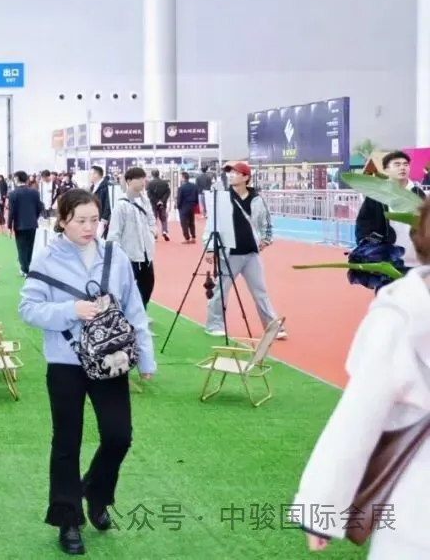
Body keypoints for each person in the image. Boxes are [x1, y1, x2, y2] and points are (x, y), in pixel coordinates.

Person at [19, 188, 156, 556]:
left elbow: (134, 308)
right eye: (80, 220)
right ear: (63, 220)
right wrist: (71, 310)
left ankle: (95, 493)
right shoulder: (47, 258)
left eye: (94, 220)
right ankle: (68, 519)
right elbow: (28, 309)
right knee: (67, 441)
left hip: (111, 360)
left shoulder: (115, 256)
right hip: (65, 363)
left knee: (118, 436)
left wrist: (146, 359)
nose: (88, 227)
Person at [293, 198, 430, 558]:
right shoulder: (402, 314)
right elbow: (360, 414)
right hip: (417, 512)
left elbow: (359, 414)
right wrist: (321, 507)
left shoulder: (402, 310)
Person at [204, 162, 286, 339]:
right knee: (221, 290)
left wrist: (266, 239)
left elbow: (266, 221)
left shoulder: (257, 199)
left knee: (260, 291)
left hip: (251, 253)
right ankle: (214, 324)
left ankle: (273, 326)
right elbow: (212, 224)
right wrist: (210, 248)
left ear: (246, 177)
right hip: (229, 253)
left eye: (235, 173)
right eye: (230, 173)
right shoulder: (223, 198)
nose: (231, 176)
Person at [355, 150, 426, 274]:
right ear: (386, 170)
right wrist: (370, 251)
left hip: (417, 263)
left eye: (405, 164)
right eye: (397, 164)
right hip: (388, 262)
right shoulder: (376, 195)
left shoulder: (419, 194)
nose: (402, 167)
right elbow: (364, 224)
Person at [107, 167, 157, 309]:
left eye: (144, 179)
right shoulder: (121, 205)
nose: (143, 182)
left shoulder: (145, 200)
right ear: (129, 181)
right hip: (129, 255)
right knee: (125, 288)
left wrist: (152, 231)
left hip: (146, 253)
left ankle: (141, 313)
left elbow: (151, 219)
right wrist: (116, 255)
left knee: (148, 285)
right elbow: (114, 233)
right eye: (139, 179)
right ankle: (126, 315)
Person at [7, 170, 45, 276]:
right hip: (32, 223)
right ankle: (27, 266)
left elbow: (11, 212)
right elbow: (39, 207)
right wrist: (34, 217)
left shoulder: (13, 194)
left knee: (21, 247)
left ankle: (24, 269)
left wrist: (9, 226)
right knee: (30, 246)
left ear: (16, 179)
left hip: (20, 224)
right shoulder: (35, 192)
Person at [145, 170, 170, 242]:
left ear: (152, 175)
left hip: (153, 204)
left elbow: (149, 194)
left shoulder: (150, 183)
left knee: (154, 219)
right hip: (162, 204)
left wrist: (156, 201)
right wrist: (161, 201)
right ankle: (164, 231)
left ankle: (155, 235)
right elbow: (168, 192)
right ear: (159, 174)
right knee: (163, 218)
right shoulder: (164, 183)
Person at [88, 166, 112, 238]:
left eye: (90, 174)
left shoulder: (106, 186)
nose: (89, 176)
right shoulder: (93, 186)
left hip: (101, 219)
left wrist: (104, 219)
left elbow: (108, 204)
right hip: (93, 217)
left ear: (96, 174)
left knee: (99, 238)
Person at [175, 171, 199, 244]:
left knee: (184, 223)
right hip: (192, 206)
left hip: (183, 207)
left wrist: (178, 206)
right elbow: (196, 196)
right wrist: (195, 204)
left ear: (183, 178)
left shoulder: (181, 188)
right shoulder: (194, 186)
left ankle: (187, 238)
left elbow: (179, 198)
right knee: (191, 222)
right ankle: (193, 237)